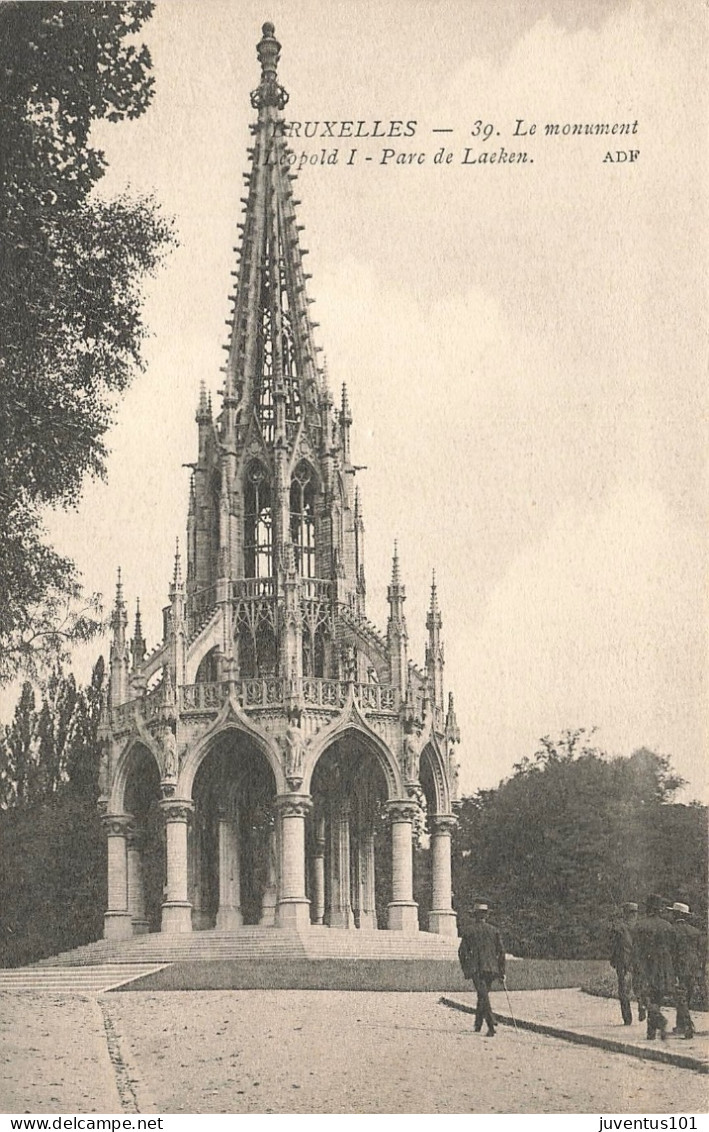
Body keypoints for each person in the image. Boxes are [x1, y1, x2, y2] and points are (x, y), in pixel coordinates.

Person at [458, 900, 506, 1037]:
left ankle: (491, 1025)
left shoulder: (469, 931)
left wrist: (466, 968)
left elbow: (462, 952)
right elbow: (501, 952)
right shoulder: (494, 930)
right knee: (483, 994)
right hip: (491, 969)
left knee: (483, 995)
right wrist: (501, 971)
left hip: (476, 969)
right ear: (486, 916)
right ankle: (478, 1024)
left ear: (474, 915)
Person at [634, 893, 675, 1041]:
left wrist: (636, 966)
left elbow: (636, 949)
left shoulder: (640, 925)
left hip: (647, 965)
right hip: (664, 966)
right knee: (657, 996)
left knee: (646, 995)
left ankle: (659, 1020)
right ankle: (651, 1032)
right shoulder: (668, 926)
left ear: (648, 908)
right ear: (659, 909)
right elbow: (673, 948)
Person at [670, 902, 703, 1040]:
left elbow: (670, 951)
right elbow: (699, 951)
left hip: (679, 967)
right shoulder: (695, 931)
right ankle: (680, 1025)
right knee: (686, 996)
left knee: (680, 996)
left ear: (677, 914)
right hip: (693, 967)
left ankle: (687, 1025)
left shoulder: (672, 930)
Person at [609, 902, 638, 1025]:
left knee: (623, 990)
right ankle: (643, 1009)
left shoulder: (620, 927)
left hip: (624, 962)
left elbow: (614, 944)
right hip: (638, 961)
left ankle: (627, 1018)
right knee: (641, 987)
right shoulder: (640, 927)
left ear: (625, 913)